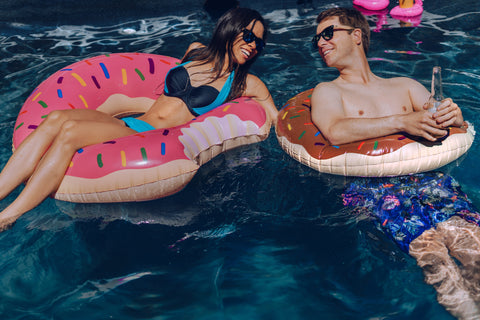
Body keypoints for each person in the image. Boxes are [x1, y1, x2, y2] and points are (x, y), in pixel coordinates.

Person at [0, 7, 278, 232]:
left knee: (70, 132)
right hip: (132, 122)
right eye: (249, 36)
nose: (254, 46)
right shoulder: (195, 51)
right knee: (56, 118)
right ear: (230, 29)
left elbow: (276, 117)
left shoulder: (246, 83)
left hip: (148, 135)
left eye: (260, 43)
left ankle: (9, 216)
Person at [311, 7, 480, 319]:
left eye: (327, 33)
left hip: (431, 181)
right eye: (317, 38)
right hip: (375, 190)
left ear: (356, 35)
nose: (320, 42)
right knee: (439, 266)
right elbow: (335, 130)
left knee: (476, 251)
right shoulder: (328, 91)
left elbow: (439, 115)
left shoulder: (404, 85)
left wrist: (453, 116)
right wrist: (403, 121)